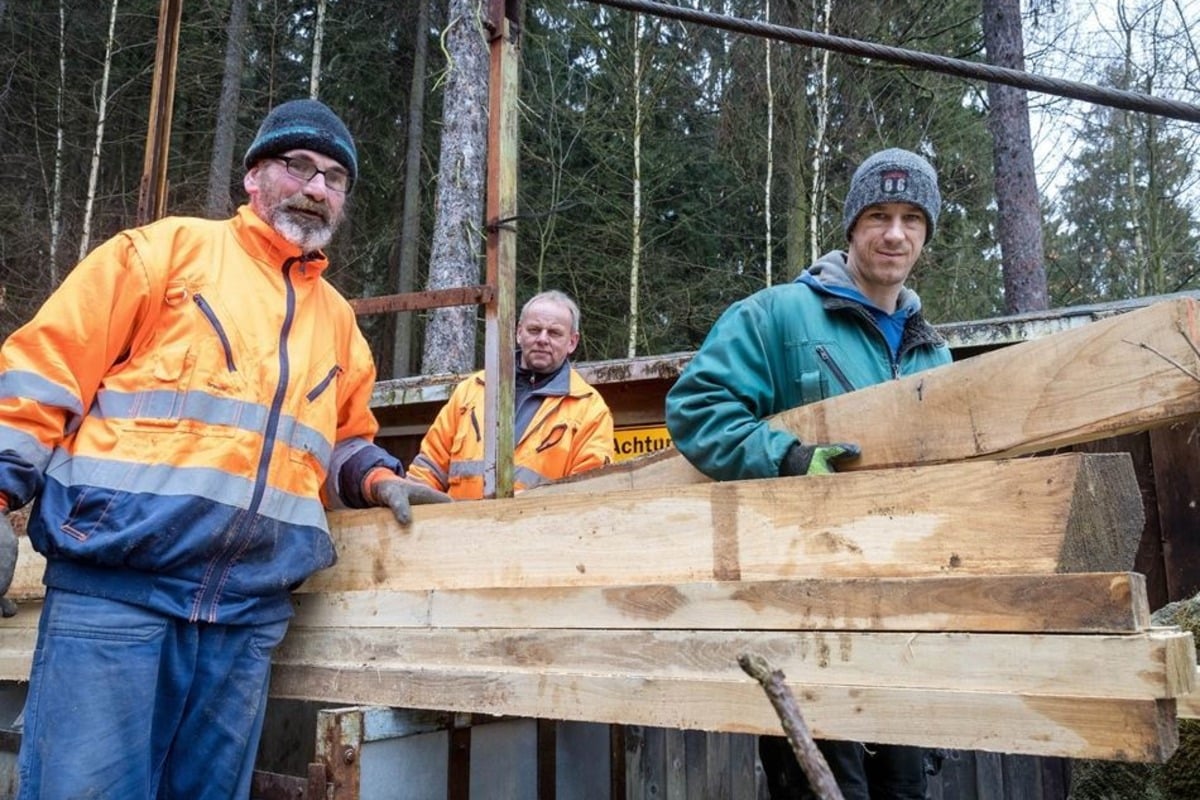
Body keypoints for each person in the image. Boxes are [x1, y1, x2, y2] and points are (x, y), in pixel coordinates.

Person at [0, 98, 450, 799]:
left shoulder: (338, 324)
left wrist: (373, 476)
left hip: (245, 620)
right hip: (118, 596)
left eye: (334, 177)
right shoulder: (162, 254)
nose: (315, 187)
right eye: (298, 166)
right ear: (253, 178)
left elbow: (340, 439)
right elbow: (43, 373)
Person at [664, 147, 951, 799]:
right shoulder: (778, 315)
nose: (894, 233)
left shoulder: (935, 350)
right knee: (823, 787)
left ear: (927, 233)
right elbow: (694, 407)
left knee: (906, 788)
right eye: (878, 215)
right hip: (804, 608)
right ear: (851, 227)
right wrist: (787, 459)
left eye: (912, 218)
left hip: (908, 612)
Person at [407, 290, 614, 499]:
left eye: (554, 333)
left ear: (572, 342)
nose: (542, 339)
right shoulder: (472, 390)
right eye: (534, 330)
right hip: (461, 526)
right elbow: (428, 468)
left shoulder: (590, 410)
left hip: (536, 528)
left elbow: (589, 492)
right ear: (518, 332)